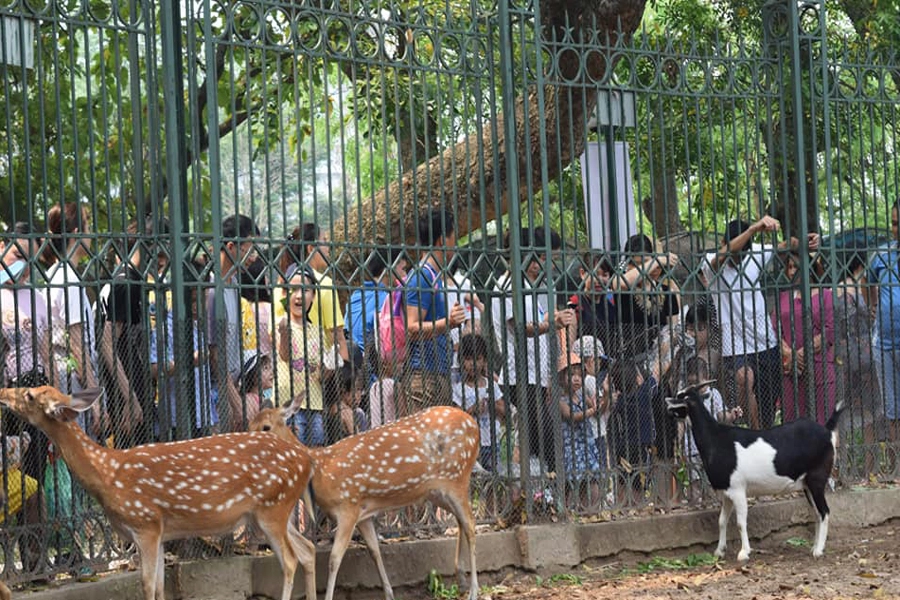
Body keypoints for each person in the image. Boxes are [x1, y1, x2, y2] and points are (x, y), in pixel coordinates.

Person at [701, 216, 820, 429]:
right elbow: (724, 255)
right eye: (736, 256)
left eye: (742, 256)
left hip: (765, 341)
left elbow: (786, 245)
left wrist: (805, 241)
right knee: (743, 378)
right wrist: (754, 229)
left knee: (768, 404)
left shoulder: (753, 254)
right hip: (734, 343)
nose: (738, 260)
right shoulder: (712, 261)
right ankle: (756, 435)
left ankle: (764, 433)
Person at [492, 226, 575, 472]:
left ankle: (531, 495)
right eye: (537, 257)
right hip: (519, 375)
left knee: (532, 441)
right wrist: (552, 323)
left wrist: (553, 317)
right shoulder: (508, 286)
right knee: (544, 437)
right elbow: (519, 329)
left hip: (533, 376)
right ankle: (527, 492)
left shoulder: (526, 288)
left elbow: (536, 325)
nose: (542, 264)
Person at [0, 221, 52, 578]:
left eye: (29, 261)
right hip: (8, 400)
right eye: (17, 254)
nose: (21, 267)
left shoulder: (36, 297)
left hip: (37, 397)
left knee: (35, 478)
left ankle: (35, 560)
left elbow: (47, 353)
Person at [97, 217, 160, 446]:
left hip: (135, 385)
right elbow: (106, 344)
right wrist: (129, 397)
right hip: (124, 393)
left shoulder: (134, 280)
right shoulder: (125, 283)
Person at [44, 203, 106, 435]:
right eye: (88, 226)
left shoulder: (53, 273)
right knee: (81, 452)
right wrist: (95, 400)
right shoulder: (68, 278)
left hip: (65, 375)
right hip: (74, 380)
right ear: (78, 234)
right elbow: (77, 345)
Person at [399, 208, 467, 417]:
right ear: (441, 241)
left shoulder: (434, 277)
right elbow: (412, 327)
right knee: (423, 447)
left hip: (437, 374)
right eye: (453, 238)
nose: (455, 245)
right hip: (423, 378)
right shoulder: (421, 277)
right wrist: (448, 322)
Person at [206, 214, 260, 432]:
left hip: (232, 389)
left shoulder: (234, 284)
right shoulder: (212, 290)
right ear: (230, 246)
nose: (254, 257)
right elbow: (215, 355)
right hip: (215, 393)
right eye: (249, 249)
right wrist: (236, 402)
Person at [150, 263, 217, 437]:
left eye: (201, 299)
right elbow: (154, 369)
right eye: (192, 300)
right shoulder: (166, 328)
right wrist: (189, 361)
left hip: (202, 415)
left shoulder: (198, 326)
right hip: (176, 418)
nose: (197, 306)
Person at [773, 251, 836, 425]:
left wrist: (802, 353)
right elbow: (776, 330)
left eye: (796, 267)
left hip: (820, 366)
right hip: (791, 369)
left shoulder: (826, 295)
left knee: (824, 425)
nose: (792, 272)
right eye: (790, 267)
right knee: (793, 426)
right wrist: (790, 354)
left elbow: (830, 331)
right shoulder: (784, 297)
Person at [835, 244, 881, 475]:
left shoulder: (835, 289)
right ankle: (871, 468)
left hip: (843, 358)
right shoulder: (860, 286)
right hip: (864, 356)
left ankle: (844, 468)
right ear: (861, 264)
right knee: (872, 412)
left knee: (842, 414)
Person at [679, 356, 740, 504]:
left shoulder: (714, 395)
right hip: (692, 449)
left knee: (713, 484)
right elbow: (681, 424)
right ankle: (696, 511)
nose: (694, 387)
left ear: (706, 379)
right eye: (690, 383)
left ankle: (712, 512)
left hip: (712, 450)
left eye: (697, 383)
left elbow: (721, 416)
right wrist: (679, 445)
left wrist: (732, 415)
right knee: (695, 485)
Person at [276, 267, 325, 447]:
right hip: (290, 406)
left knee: (317, 450)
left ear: (313, 296)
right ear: (284, 293)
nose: (298, 296)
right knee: (295, 452)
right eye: (293, 289)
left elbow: (321, 374)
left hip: (315, 403)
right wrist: (284, 333)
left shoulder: (317, 331)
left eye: (305, 290)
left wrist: (329, 365)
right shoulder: (280, 324)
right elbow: (284, 354)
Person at [868, 199, 900, 446]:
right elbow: (866, 283)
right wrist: (873, 306)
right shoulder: (881, 254)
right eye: (893, 223)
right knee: (892, 407)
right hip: (885, 344)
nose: (895, 229)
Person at [607, 359, 657, 506]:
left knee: (624, 480)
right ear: (637, 378)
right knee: (639, 483)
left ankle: (624, 508)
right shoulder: (644, 394)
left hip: (624, 448)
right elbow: (657, 372)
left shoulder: (619, 402)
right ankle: (638, 508)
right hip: (642, 447)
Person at [452, 334, 505, 471]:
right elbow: (455, 420)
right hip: (470, 444)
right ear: (461, 361)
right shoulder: (459, 389)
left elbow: (504, 412)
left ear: (484, 361)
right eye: (468, 359)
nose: (473, 364)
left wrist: (494, 405)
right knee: (474, 480)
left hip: (491, 443)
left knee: (493, 479)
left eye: (478, 359)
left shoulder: (491, 385)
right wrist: (471, 410)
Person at [557, 351, 601, 508]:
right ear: (562, 378)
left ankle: (590, 510)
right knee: (572, 481)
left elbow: (597, 408)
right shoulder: (561, 400)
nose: (576, 378)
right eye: (571, 375)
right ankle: (567, 510)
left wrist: (604, 397)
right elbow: (572, 416)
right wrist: (590, 412)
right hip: (572, 448)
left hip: (586, 444)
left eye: (579, 375)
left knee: (592, 479)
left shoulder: (582, 396)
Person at [572, 335, 610, 473]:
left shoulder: (574, 382)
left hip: (583, 434)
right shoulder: (590, 380)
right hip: (596, 433)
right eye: (599, 361)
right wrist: (607, 394)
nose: (600, 366)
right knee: (601, 473)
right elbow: (599, 409)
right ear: (591, 360)